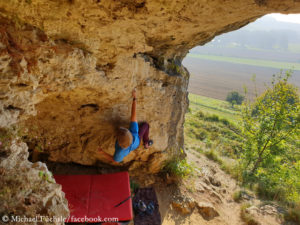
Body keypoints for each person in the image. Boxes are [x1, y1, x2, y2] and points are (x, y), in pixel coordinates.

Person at [98, 89, 153, 164]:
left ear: (118, 141)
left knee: (145, 126)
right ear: (129, 133)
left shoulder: (119, 152)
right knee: (146, 125)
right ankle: (146, 142)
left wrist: (102, 153)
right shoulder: (133, 132)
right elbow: (134, 115)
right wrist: (134, 98)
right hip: (137, 141)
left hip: (135, 144)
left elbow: (115, 160)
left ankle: (146, 143)